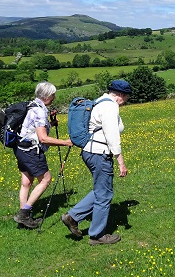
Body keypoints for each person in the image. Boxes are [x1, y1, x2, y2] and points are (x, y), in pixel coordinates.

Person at [61, 80, 130, 245]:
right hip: (99, 153)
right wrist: (120, 161)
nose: (126, 101)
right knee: (104, 195)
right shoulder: (110, 106)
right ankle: (97, 235)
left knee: (102, 190)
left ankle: (72, 217)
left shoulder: (100, 102)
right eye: (127, 97)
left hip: (91, 152)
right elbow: (112, 134)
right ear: (120, 95)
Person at [13, 82, 73, 229]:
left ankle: (24, 216)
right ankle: (24, 213)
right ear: (46, 96)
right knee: (46, 180)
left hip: (20, 148)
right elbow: (43, 138)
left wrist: (50, 123)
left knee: (26, 182)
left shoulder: (32, 105)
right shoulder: (39, 111)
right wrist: (65, 142)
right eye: (53, 95)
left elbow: (32, 128)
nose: (54, 97)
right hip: (31, 151)